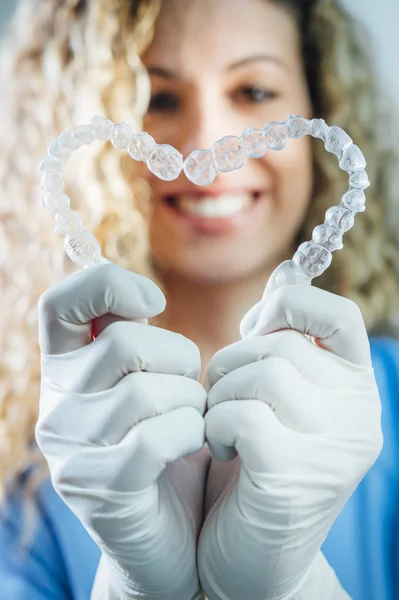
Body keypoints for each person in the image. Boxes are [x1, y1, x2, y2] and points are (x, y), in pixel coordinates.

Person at [0, 0, 398, 598]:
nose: (207, 144)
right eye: (158, 99)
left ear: (324, 108)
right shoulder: (19, 465)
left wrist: (292, 584)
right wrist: (136, 587)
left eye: (256, 91)